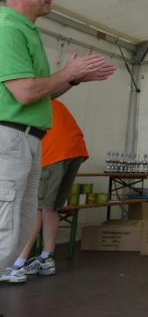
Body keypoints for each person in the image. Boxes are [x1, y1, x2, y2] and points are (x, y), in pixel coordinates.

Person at [0, 0, 115, 284]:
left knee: (20, 227)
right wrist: (66, 73)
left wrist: (72, 79)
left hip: (29, 140)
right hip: (10, 139)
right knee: (6, 229)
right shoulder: (7, 28)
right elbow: (25, 92)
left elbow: (42, 93)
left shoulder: (26, 30)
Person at [14, 99, 88, 278]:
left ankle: (18, 264)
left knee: (36, 207)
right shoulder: (48, 97)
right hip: (74, 149)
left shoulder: (21, 100)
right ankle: (46, 258)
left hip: (54, 151)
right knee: (50, 207)